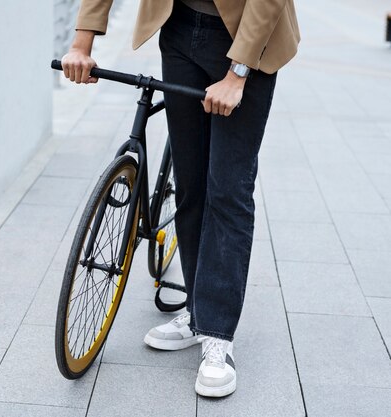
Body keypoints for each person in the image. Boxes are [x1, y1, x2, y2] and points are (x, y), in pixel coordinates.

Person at [61, 0, 300, 398]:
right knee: (190, 184)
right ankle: (196, 311)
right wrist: (82, 43)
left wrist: (238, 73)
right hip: (179, 29)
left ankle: (217, 334)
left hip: (248, 38)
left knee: (228, 191)